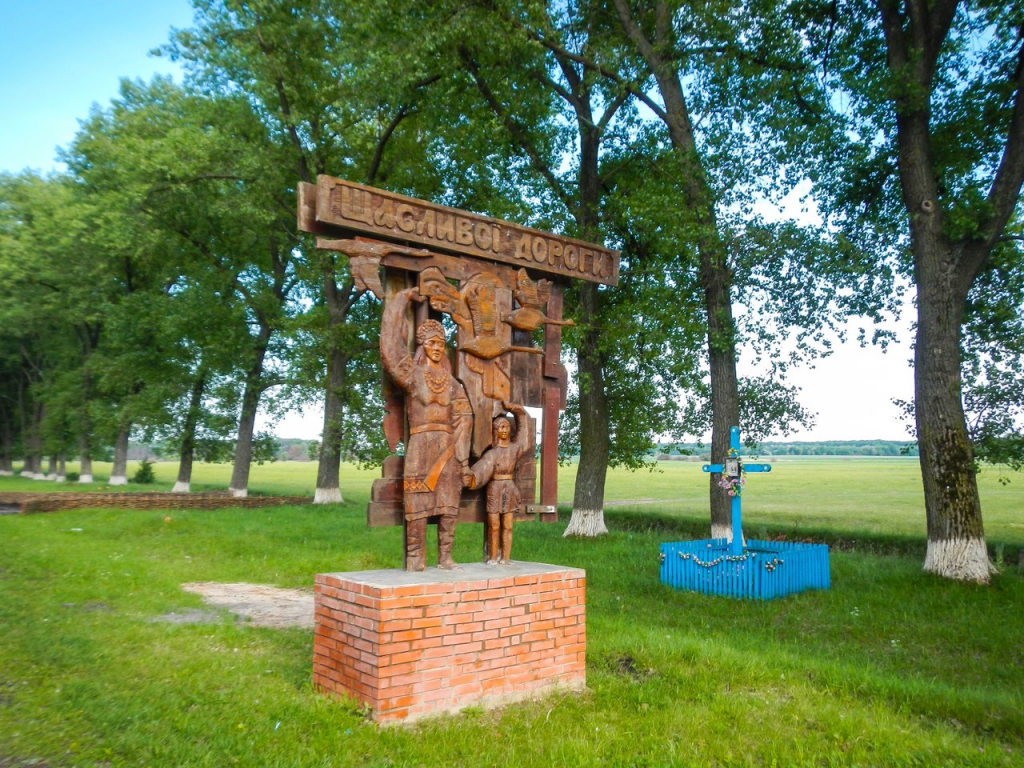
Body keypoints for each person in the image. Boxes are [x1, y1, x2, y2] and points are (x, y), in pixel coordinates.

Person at [380, 287, 472, 571]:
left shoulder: (453, 384)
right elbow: (390, 348)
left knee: (449, 504)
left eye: (441, 343)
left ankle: (445, 556)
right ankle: (416, 557)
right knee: (417, 504)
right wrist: (400, 300)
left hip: (447, 449)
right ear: (423, 345)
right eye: (432, 343)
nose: (437, 348)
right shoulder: (413, 375)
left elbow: (464, 418)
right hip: (420, 448)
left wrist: (461, 457)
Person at [464, 402, 529, 565]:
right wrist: (470, 478)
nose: (504, 430)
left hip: (509, 488)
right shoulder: (492, 454)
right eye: (501, 427)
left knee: (508, 525)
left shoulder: (515, 449)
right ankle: (493, 557)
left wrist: (518, 412)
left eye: (506, 427)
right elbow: (481, 470)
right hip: (494, 489)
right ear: (495, 431)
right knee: (494, 525)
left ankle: (506, 558)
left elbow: (524, 437)